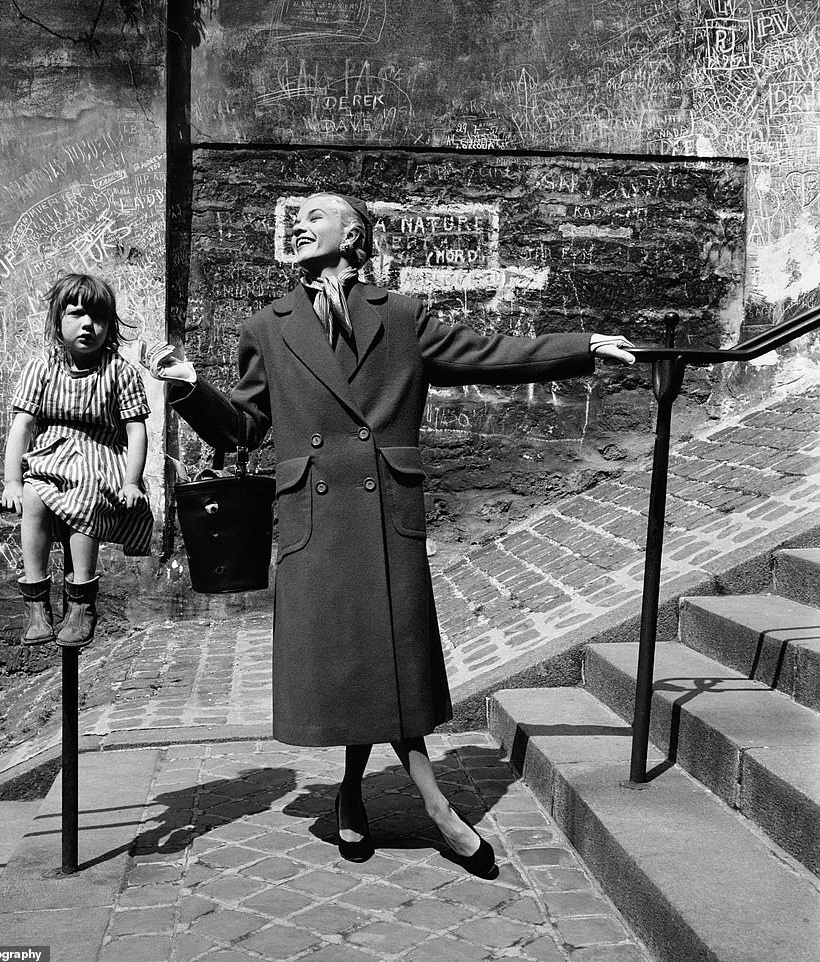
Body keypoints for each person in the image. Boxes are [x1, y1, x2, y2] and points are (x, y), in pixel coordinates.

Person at [144, 192, 635, 875]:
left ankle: (353, 795)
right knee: (362, 664)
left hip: (383, 512)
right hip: (315, 522)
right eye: (299, 217)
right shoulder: (268, 326)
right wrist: (191, 389)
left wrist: (582, 347)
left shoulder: (399, 316)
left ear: (354, 232)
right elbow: (247, 431)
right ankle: (434, 807)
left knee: (382, 662)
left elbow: (490, 353)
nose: (302, 223)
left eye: (317, 214)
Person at [2, 273, 153, 648]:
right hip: (51, 457)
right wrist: (11, 482)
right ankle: (35, 601)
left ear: (110, 325)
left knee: (85, 492)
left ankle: (81, 600)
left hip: (102, 458)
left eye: (98, 318)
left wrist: (132, 481)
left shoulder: (120, 372)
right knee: (35, 496)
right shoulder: (42, 368)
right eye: (77, 315)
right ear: (58, 321)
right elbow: (21, 426)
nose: (88, 325)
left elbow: (136, 431)